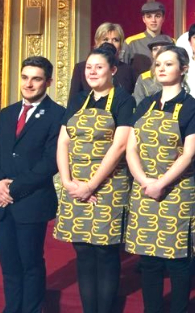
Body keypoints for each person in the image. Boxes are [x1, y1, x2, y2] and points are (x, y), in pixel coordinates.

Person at [54, 43, 135, 313]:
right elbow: (63, 142)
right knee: (83, 251)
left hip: (108, 186)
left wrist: (91, 185)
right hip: (75, 184)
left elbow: (120, 146)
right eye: (88, 67)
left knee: (105, 250)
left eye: (99, 67)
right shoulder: (78, 100)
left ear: (113, 70)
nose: (92, 72)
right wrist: (67, 182)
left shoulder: (124, 100)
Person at [124, 46, 195, 313]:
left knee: (177, 261)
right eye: (158, 64)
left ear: (183, 69)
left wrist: (160, 183)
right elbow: (131, 148)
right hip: (144, 189)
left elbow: (189, 154)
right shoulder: (145, 104)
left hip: (176, 191)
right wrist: (144, 181)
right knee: (149, 262)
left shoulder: (193, 107)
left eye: (168, 64)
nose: (161, 68)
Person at [0, 57, 65, 313]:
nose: (28, 84)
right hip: (2, 203)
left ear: (48, 82)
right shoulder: (6, 113)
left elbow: (51, 162)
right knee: (9, 265)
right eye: (25, 77)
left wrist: (11, 189)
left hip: (32, 201)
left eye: (36, 79)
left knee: (30, 264)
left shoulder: (58, 115)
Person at [69, 22, 136, 99]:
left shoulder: (128, 70)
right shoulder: (81, 68)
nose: (110, 43)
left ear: (120, 44)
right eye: (105, 39)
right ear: (97, 42)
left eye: (115, 40)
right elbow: (73, 99)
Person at [124, 1, 172, 75]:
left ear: (163, 18)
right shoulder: (131, 43)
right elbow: (123, 72)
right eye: (149, 16)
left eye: (157, 16)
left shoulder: (171, 42)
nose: (153, 20)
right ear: (143, 19)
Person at [132, 34, 174, 105]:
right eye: (155, 49)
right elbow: (139, 105)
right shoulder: (144, 78)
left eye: (164, 48)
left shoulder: (179, 74)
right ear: (151, 54)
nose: (159, 52)